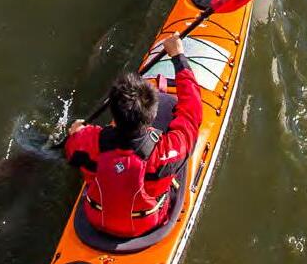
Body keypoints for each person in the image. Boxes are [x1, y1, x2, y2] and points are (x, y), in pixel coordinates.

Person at [63, 34, 202, 239]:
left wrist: (76, 131)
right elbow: (192, 113)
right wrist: (179, 58)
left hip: (96, 218)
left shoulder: (85, 141)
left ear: (113, 114)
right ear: (152, 115)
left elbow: (71, 147)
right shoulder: (167, 151)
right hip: (146, 224)